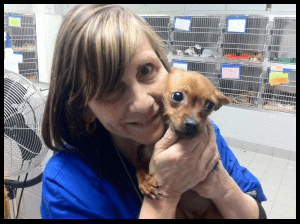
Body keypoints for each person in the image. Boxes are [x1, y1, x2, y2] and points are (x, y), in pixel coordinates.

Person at [40, 4, 267, 219]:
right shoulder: (67, 184)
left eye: (146, 70)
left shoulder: (200, 134)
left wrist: (221, 187)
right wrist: (166, 193)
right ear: (84, 109)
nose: (143, 104)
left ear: (165, 67)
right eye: (110, 88)